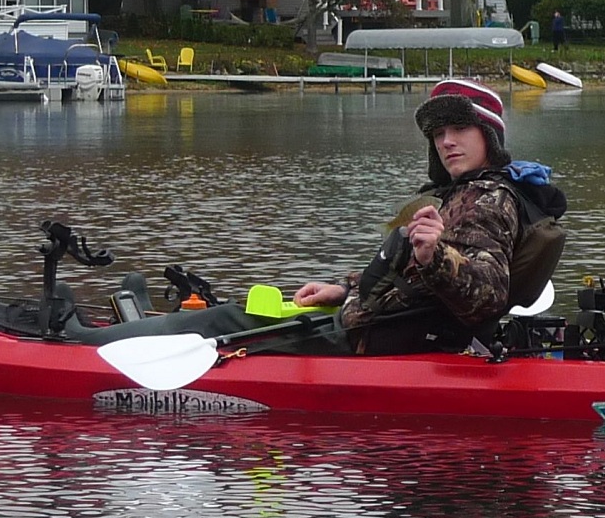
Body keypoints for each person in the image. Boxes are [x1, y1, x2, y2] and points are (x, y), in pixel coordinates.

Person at [93, 79, 566, 356]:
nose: (446, 142)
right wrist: (345, 287)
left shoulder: (489, 199)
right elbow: (407, 275)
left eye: (460, 129)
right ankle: (113, 340)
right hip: (373, 321)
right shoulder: (458, 195)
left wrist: (435, 255)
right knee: (259, 308)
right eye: (440, 133)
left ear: (489, 136)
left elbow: (487, 295)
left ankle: (91, 349)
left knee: (227, 322)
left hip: (379, 341)